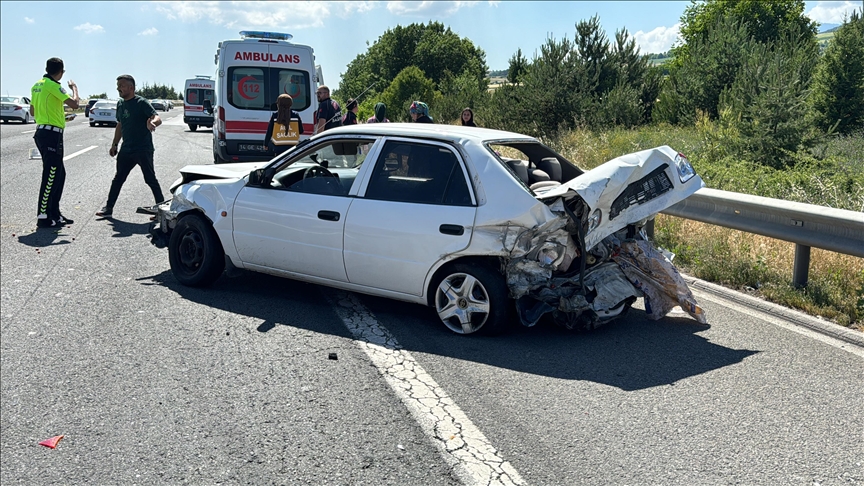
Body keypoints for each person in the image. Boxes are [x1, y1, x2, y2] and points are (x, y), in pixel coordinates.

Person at [95, 75, 164, 218]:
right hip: (126, 149)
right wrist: (114, 144)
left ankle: (161, 210)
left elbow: (157, 117)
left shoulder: (141, 102)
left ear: (131, 88)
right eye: (118, 85)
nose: (118, 88)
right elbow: (120, 124)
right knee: (118, 179)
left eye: (122, 85)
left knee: (150, 179)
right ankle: (108, 208)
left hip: (143, 149)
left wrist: (152, 123)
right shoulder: (120, 104)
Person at [30, 57, 79, 228]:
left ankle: (55, 214)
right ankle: (43, 216)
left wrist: (61, 117)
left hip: (43, 131)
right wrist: (75, 89)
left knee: (59, 174)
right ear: (61, 72)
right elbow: (74, 104)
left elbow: (33, 110)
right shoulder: (54, 85)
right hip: (51, 135)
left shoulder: (37, 85)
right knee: (51, 175)